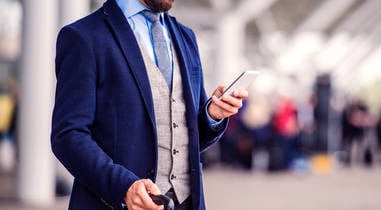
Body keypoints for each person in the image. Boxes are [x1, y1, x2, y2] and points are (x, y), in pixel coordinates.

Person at [51, 0, 248, 209]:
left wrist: (212, 115)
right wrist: (124, 187)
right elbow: (68, 136)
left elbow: (184, 136)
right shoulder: (84, 36)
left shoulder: (186, 37)